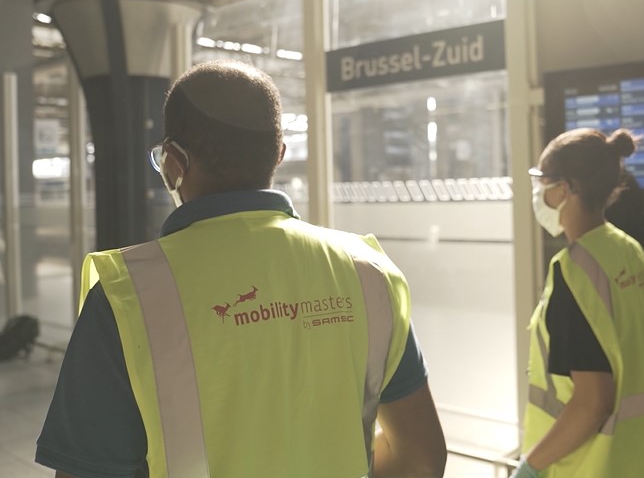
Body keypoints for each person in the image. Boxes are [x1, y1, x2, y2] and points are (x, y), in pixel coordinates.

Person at [35, 60, 446, 478]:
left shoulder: (126, 295)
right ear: (279, 155)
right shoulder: (367, 274)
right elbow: (422, 460)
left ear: (174, 162)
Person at [511, 128, 644, 478]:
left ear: (567, 189)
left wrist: (531, 467)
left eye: (544, 182)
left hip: (594, 466)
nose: (539, 193)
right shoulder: (629, 251)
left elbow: (592, 403)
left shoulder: (574, 273)